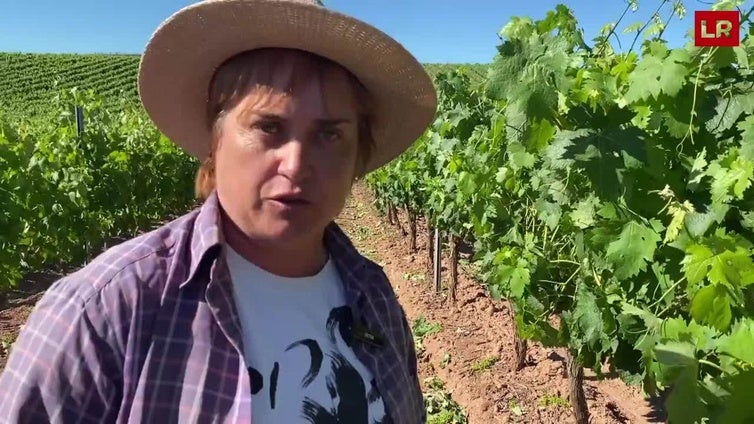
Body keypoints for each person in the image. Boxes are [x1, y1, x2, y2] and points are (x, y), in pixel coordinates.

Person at [0, 0, 437, 422]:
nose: (297, 163)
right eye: (268, 126)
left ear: (357, 157)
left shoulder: (373, 295)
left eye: (329, 135)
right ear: (215, 141)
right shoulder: (102, 311)